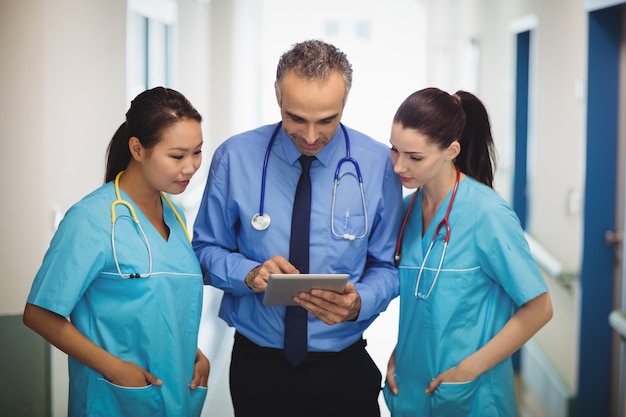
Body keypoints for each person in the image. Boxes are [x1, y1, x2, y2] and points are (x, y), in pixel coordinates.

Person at [192, 39, 402, 417]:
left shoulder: (377, 165)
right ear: (276, 95)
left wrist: (359, 303)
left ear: (345, 104)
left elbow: (387, 266)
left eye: (326, 120)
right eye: (296, 118)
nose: (309, 136)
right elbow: (204, 250)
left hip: (344, 367)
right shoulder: (234, 157)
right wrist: (250, 273)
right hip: (259, 368)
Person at [23, 86, 210, 417]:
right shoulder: (91, 219)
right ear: (137, 149)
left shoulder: (176, 216)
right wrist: (114, 369)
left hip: (175, 394)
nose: (191, 167)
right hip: (115, 399)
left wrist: (190, 351)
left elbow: (156, 303)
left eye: (197, 152)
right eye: (177, 156)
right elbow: (40, 314)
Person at [383, 87, 553, 416]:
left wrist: (469, 370)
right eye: (394, 150)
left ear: (451, 150)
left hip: (470, 396)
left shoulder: (487, 214)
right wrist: (398, 354)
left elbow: (539, 308)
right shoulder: (405, 212)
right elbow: (426, 308)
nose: (398, 166)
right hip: (410, 393)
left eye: (414, 157)